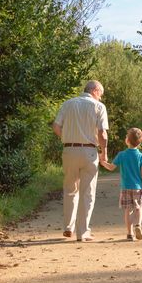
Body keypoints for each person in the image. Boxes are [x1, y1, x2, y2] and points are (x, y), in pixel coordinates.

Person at [52, 80, 109, 242]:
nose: (101, 98)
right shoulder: (99, 107)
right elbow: (102, 134)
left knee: (70, 189)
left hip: (69, 150)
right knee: (87, 193)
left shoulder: (68, 104)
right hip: (89, 151)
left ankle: (68, 227)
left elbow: (56, 126)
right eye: (101, 95)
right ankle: (82, 232)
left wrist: (67, 138)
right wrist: (104, 153)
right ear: (95, 91)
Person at [100, 127, 142, 241]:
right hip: (137, 188)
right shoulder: (141, 156)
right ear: (140, 142)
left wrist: (103, 163)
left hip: (125, 187)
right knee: (138, 208)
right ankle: (138, 225)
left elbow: (111, 168)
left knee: (128, 210)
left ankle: (129, 233)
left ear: (127, 141)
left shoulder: (122, 155)